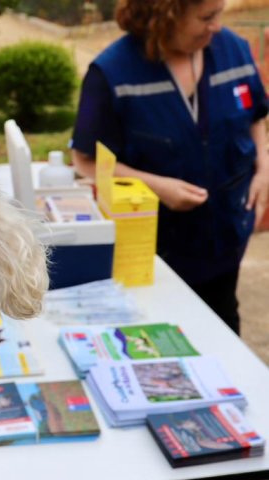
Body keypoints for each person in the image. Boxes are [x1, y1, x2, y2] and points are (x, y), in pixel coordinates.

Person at [70, 0, 269, 334]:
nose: (217, 26)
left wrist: (263, 168)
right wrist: (156, 186)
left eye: (219, 13)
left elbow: (255, 116)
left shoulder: (233, 50)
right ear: (164, 17)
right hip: (153, 256)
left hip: (225, 240)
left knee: (222, 331)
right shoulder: (112, 72)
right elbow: (86, 160)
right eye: (206, 17)